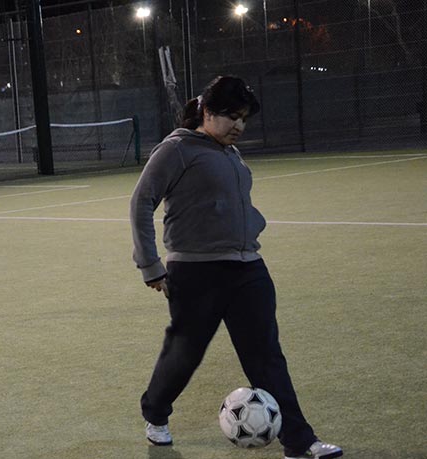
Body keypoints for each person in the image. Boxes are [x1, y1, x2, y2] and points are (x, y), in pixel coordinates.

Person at [129, 75, 343, 459]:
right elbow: (141, 203)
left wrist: (251, 224)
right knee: (184, 354)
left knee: (266, 357)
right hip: (195, 273)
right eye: (232, 117)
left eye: (244, 118)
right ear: (207, 112)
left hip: (248, 269)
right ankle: (156, 415)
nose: (239, 126)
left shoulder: (231, 153)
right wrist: (150, 264)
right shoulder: (176, 149)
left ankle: (298, 441)